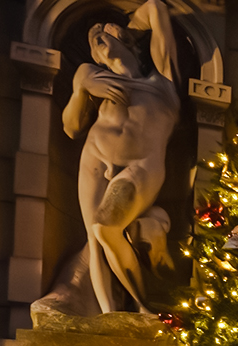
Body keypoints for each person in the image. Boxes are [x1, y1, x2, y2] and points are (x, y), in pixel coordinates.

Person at [61, 0, 179, 314]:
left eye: (104, 37)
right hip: (95, 159)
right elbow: (71, 128)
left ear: (128, 43)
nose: (98, 43)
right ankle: (109, 315)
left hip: (141, 166)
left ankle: (145, 307)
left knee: (105, 228)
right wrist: (81, 90)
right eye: (94, 44)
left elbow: (155, 7)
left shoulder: (162, 83)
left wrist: (127, 28)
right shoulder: (90, 75)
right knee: (95, 239)